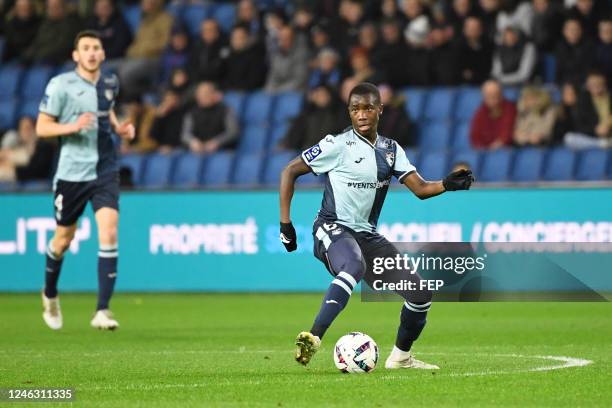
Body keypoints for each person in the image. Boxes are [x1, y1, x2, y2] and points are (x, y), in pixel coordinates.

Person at [279, 82, 474, 369]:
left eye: (368, 107)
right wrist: (286, 224)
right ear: (349, 112)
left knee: (420, 294)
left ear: (380, 109)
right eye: (355, 109)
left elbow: (419, 189)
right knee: (354, 266)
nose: (362, 114)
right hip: (332, 228)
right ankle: (313, 338)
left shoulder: (391, 150)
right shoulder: (336, 145)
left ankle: (401, 358)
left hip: (366, 235)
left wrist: (446, 184)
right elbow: (289, 171)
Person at [36, 30, 135, 331]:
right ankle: (50, 294)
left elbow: (108, 111)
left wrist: (119, 130)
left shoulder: (110, 82)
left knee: (109, 231)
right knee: (63, 239)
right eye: (86, 48)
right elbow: (42, 127)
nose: (92, 53)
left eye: (96, 48)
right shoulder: (61, 85)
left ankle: (102, 310)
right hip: (71, 174)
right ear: (75, 55)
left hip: (104, 170)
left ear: (103, 54)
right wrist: (72, 126)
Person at [118, 0, 173, 101]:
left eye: (148, 3)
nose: (144, 5)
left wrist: (144, 50)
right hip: (137, 57)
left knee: (125, 74)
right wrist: (132, 51)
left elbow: (165, 43)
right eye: (143, 3)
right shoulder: (144, 20)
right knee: (111, 69)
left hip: (154, 58)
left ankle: (142, 96)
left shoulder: (165, 19)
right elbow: (137, 42)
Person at [278, 85, 345, 151]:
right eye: (318, 95)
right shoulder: (308, 114)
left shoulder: (338, 114)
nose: (321, 97)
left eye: (324, 95)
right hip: (306, 152)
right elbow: (294, 137)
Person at [181, 82, 239, 153]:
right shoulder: (191, 113)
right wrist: (192, 142)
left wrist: (217, 142)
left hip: (221, 151)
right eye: (199, 94)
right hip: (198, 151)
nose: (201, 97)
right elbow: (185, 134)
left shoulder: (225, 110)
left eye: (205, 93)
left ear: (214, 95)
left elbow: (232, 132)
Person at [21, 0, 82, 65]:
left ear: (63, 8)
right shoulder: (46, 23)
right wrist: (27, 56)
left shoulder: (70, 24)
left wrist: (38, 55)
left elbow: (61, 46)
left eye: (56, 7)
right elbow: (37, 42)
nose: (52, 10)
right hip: (40, 58)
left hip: (59, 61)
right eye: (50, 7)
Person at [0, 116, 55, 182]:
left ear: (35, 129)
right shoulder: (15, 143)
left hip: (32, 179)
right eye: (22, 129)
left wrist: (12, 168)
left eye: (28, 128)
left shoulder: (44, 147)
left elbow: (38, 171)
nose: (25, 132)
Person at [565, 71, 611, 147]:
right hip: (593, 137)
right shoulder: (583, 102)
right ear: (588, 86)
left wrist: (608, 126)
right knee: (569, 138)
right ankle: (600, 144)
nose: (596, 87)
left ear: (604, 84)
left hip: (610, 133)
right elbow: (580, 126)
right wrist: (595, 130)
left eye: (598, 84)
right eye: (592, 84)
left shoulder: (609, 98)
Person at [470, 79, 517, 148]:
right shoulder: (480, 111)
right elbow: (475, 137)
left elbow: (506, 135)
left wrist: (494, 148)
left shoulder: (510, 109)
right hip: (485, 151)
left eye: (495, 95)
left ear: (501, 95)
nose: (492, 98)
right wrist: (483, 149)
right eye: (488, 95)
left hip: (504, 150)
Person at [221, 24, 267, 91]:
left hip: (247, 92)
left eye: (240, 37)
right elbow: (223, 78)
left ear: (247, 38)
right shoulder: (228, 57)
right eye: (234, 38)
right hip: (230, 91)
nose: (236, 41)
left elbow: (254, 81)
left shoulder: (255, 57)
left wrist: (235, 88)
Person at [265, 25, 310, 93]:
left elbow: (300, 79)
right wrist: (270, 89)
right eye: (281, 37)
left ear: (293, 38)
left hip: (298, 92)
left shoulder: (302, 53)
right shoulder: (277, 55)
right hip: (279, 92)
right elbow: (273, 76)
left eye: (287, 37)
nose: (283, 40)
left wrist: (279, 90)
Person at [555, 18, 595, 87]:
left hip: (583, 83)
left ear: (581, 31)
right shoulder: (560, 47)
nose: (573, 32)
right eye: (570, 29)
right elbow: (559, 71)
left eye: (576, 29)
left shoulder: (589, 46)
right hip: (565, 84)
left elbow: (588, 70)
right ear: (564, 31)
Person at [455, 16, 493, 85]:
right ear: (464, 29)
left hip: (485, 82)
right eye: (470, 27)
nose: (472, 30)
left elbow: (488, 69)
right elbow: (457, 71)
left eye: (475, 27)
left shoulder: (489, 46)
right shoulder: (457, 47)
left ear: (481, 30)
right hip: (462, 84)